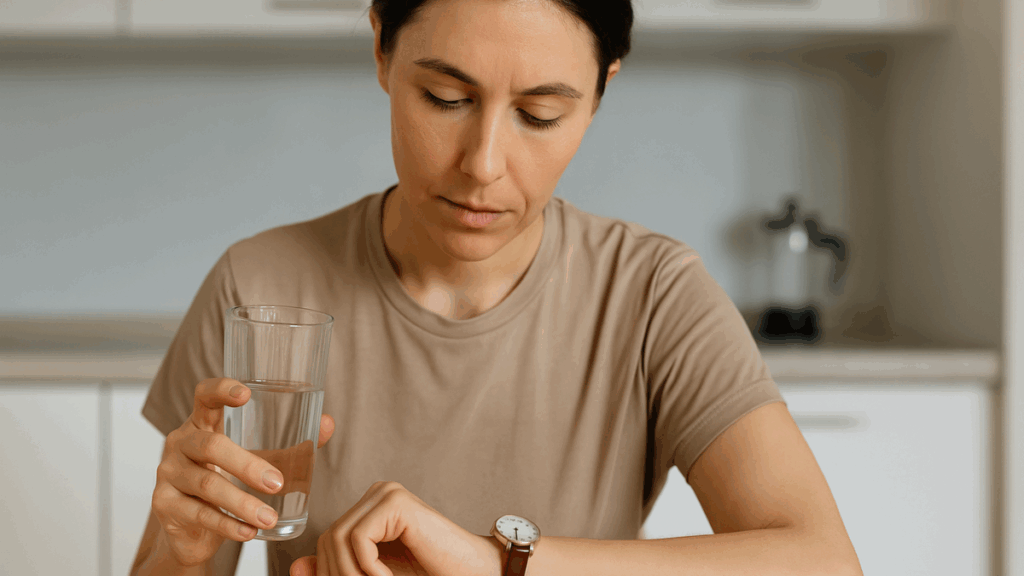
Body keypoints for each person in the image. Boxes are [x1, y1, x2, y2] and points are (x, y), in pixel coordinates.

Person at [130, 0, 863, 575]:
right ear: (382, 49)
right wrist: (182, 551)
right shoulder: (259, 285)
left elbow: (823, 563)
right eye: (446, 98)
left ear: (602, 91)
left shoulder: (653, 296)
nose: (483, 164)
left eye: (540, 114)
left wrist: (498, 563)